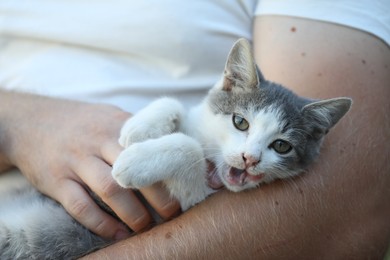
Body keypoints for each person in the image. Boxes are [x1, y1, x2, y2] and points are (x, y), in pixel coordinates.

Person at [0, 0, 389, 258]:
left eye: (280, 147)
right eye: (241, 124)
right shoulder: (198, 118)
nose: (251, 154)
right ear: (230, 85)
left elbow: (353, 201)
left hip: (79, 236)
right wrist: (19, 121)